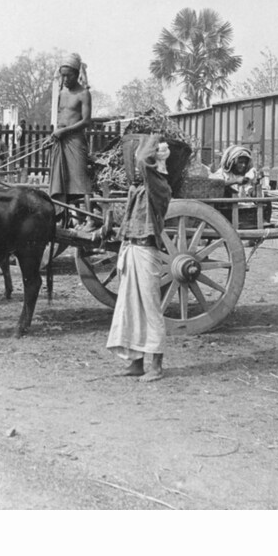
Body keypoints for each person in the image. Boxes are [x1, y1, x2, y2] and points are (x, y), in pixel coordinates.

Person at [106, 134, 172, 382]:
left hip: (146, 252)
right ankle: (136, 362)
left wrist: (151, 137)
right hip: (132, 249)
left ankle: (156, 366)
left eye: (138, 163)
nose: (135, 167)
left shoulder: (159, 187)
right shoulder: (139, 188)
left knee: (150, 308)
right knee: (130, 306)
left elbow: (143, 160)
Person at [49, 52, 92, 217]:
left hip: (75, 141)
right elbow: (61, 117)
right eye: (63, 75)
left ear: (77, 74)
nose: (65, 79)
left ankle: (90, 218)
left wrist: (64, 131)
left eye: (69, 75)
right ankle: (63, 215)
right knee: (61, 179)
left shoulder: (84, 94)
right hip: (61, 141)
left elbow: (86, 121)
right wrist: (55, 134)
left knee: (81, 181)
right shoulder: (61, 93)